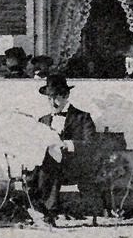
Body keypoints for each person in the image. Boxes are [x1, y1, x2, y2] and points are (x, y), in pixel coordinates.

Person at [26, 73, 99, 226]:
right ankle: (40, 209)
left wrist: (68, 144)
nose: (53, 102)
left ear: (66, 95)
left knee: (47, 168)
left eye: (57, 97)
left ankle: (48, 213)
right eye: (49, 98)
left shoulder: (82, 117)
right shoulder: (43, 120)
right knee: (33, 169)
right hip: (47, 167)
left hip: (74, 166)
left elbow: (91, 144)